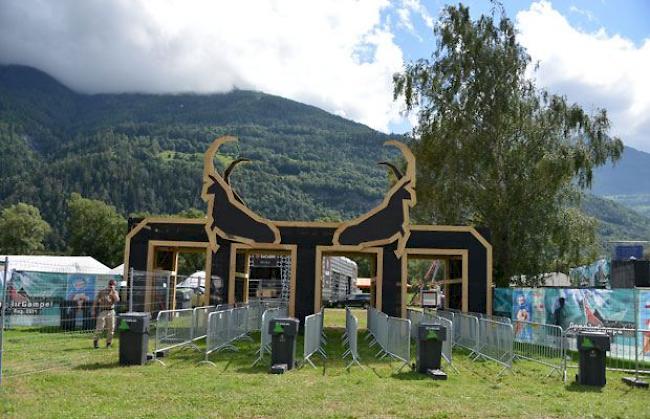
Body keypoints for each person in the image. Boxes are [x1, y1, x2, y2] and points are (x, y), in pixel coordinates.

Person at [92, 279, 120, 348]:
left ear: (115, 286)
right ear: (108, 284)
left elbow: (117, 300)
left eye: (113, 285)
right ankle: (95, 342)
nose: (111, 286)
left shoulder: (115, 292)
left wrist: (113, 292)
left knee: (111, 328)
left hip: (111, 311)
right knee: (99, 327)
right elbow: (95, 301)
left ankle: (108, 344)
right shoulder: (102, 291)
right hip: (103, 311)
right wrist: (93, 310)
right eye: (110, 284)